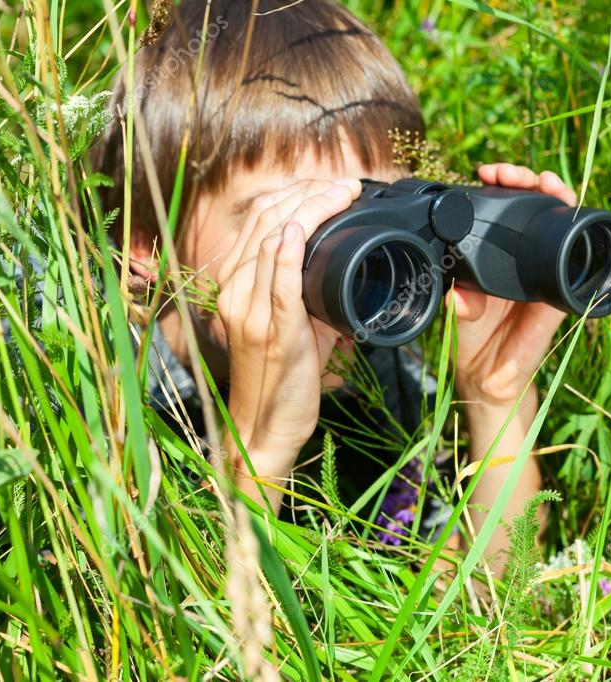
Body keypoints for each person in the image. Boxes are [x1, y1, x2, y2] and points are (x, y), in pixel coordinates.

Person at [92, 0, 577, 574]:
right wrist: (259, 447)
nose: (350, 264)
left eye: (373, 209)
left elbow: (484, 600)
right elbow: (170, 647)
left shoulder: (376, 366)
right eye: (292, 218)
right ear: (146, 245)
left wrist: (497, 397)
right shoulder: (83, 384)